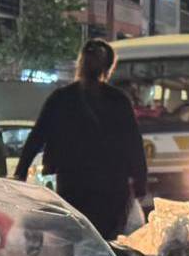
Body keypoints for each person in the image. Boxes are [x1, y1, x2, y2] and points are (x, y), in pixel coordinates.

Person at [15, 39, 147, 239]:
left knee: (78, 238)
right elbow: (133, 144)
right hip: (112, 185)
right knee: (107, 242)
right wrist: (140, 182)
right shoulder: (118, 101)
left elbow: (37, 137)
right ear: (109, 68)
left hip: (73, 182)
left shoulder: (61, 98)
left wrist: (21, 173)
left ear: (80, 64)